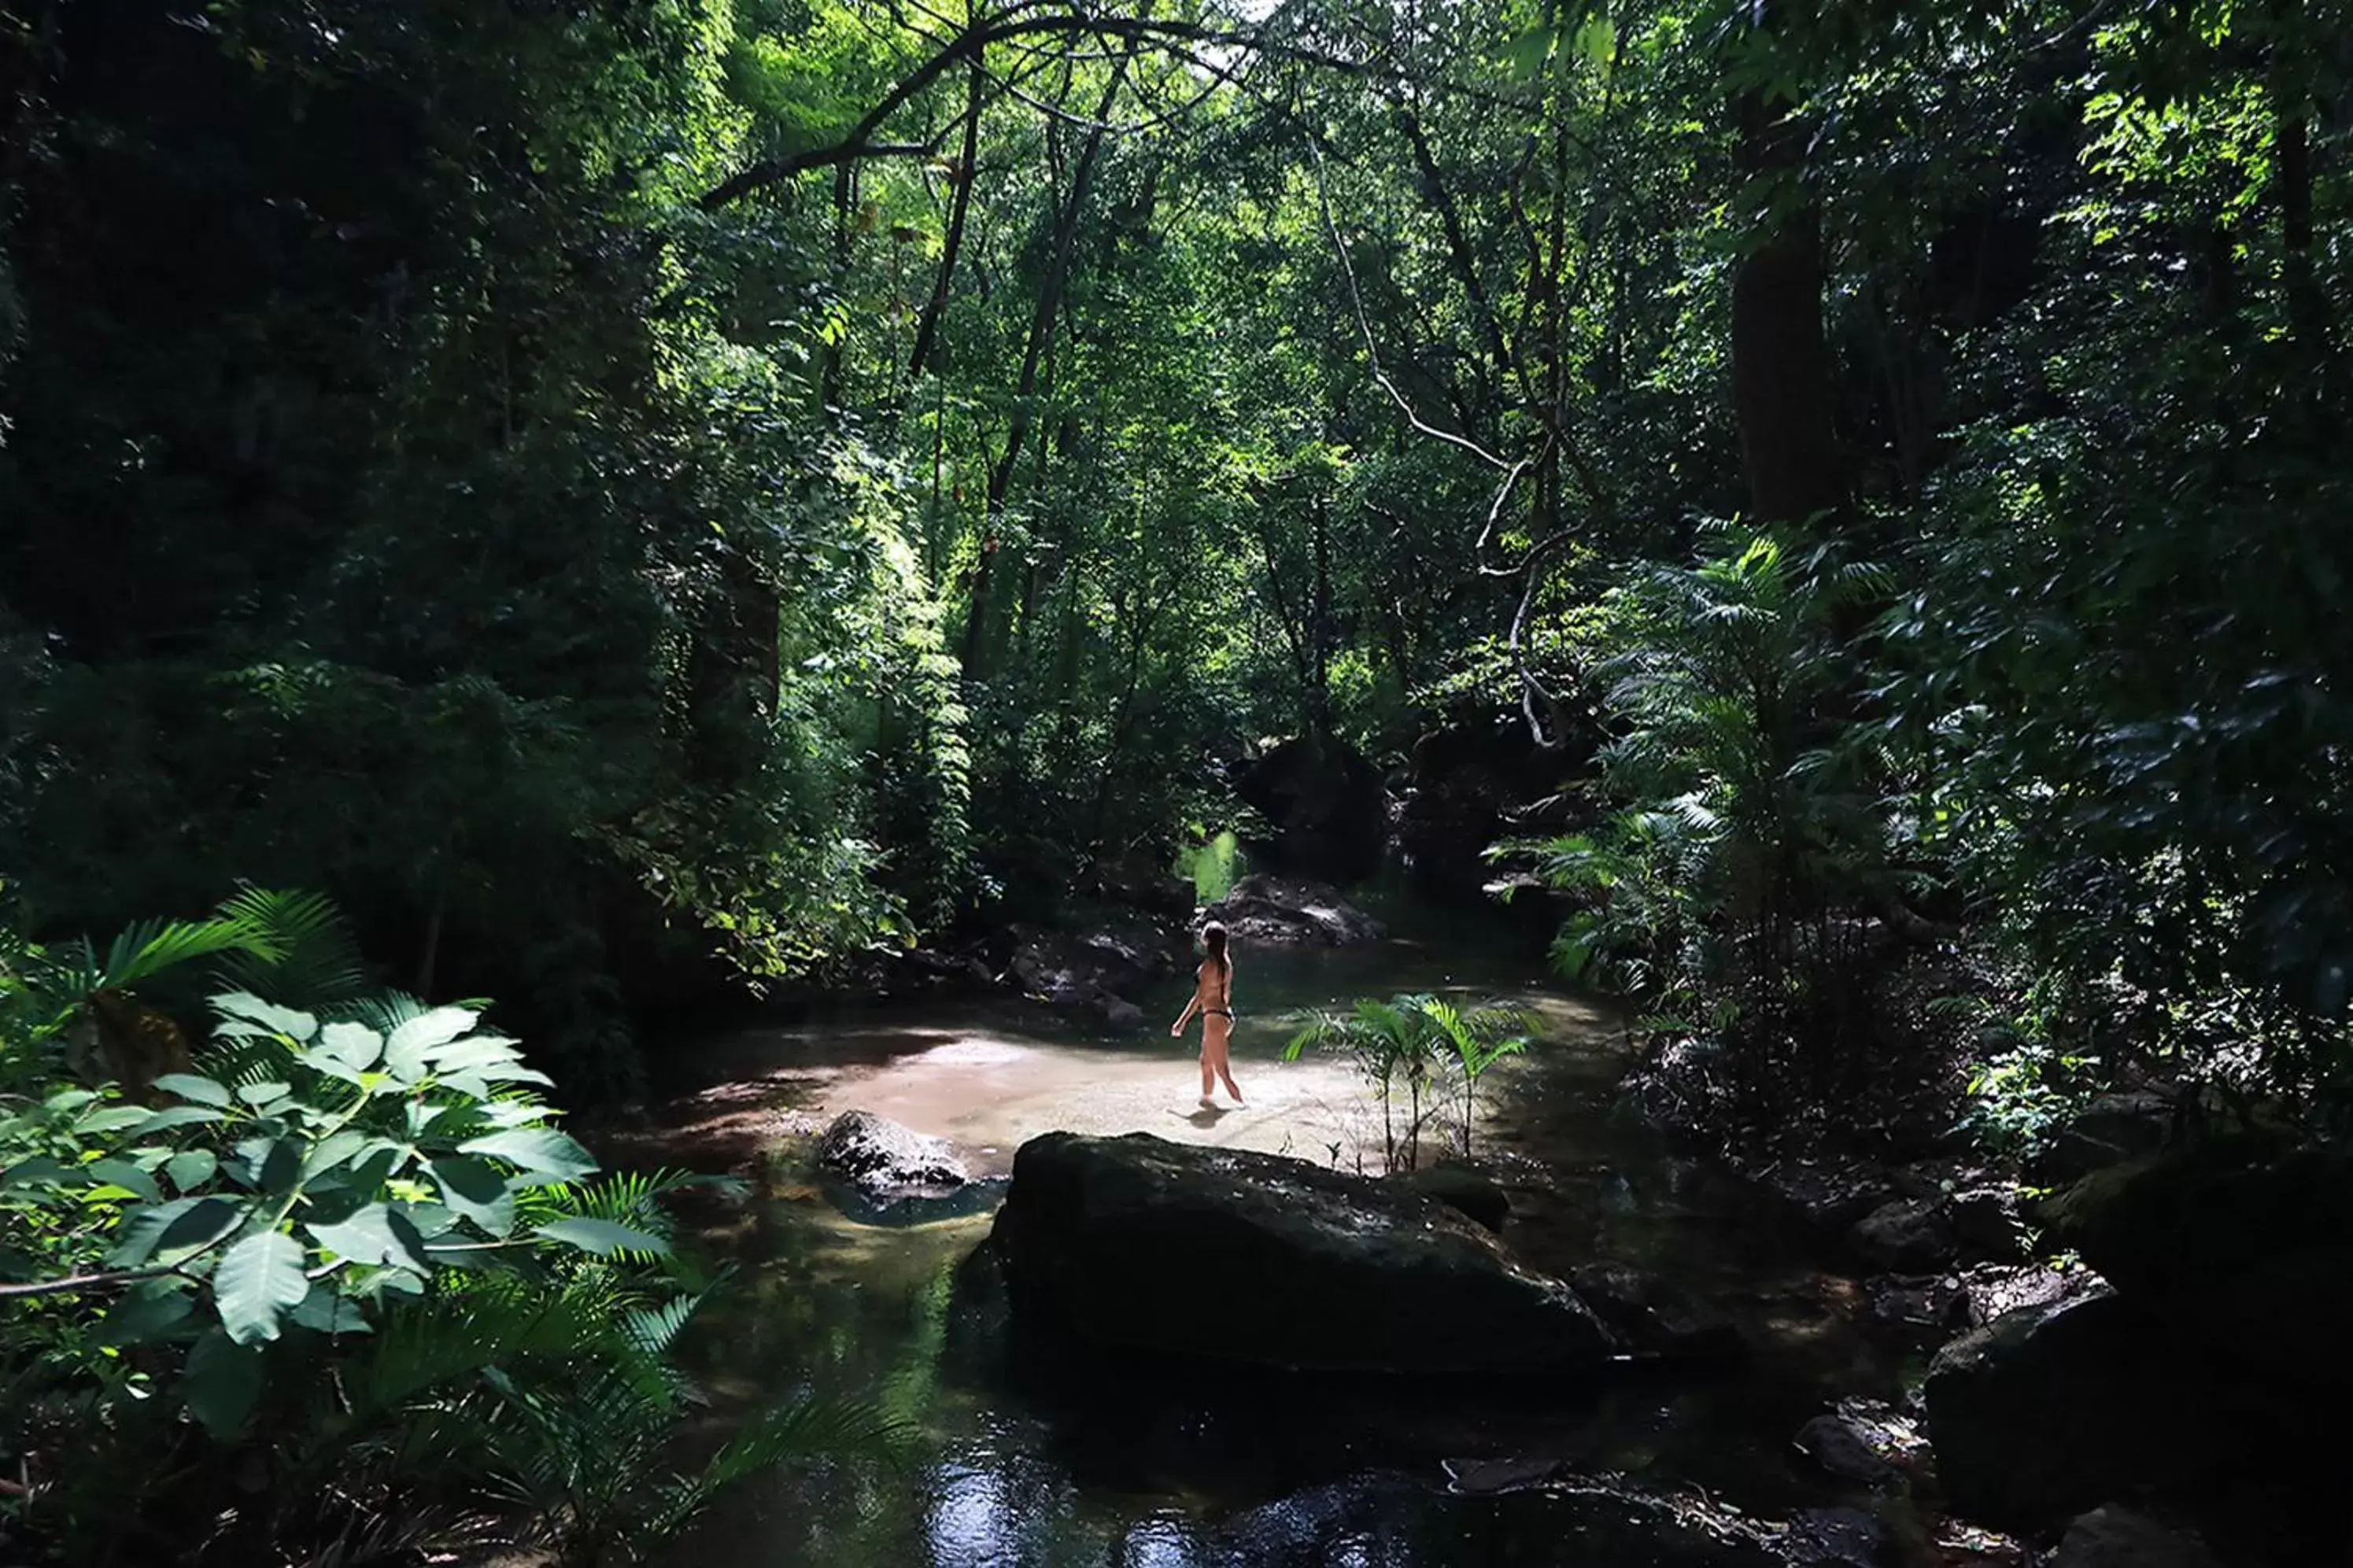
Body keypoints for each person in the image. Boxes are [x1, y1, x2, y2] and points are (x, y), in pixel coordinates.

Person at [1170, 921, 1243, 1109]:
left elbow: (1199, 997)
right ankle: (1207, 1102)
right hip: (1223, 1015)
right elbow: (1226, 994)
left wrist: (1181, 1022)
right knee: (1205, 1063)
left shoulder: (1209, 966)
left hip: (1214, 1018)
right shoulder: (1226, 964)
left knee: (1222, 1071)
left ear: (1208, 940)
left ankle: (1244, 1108)